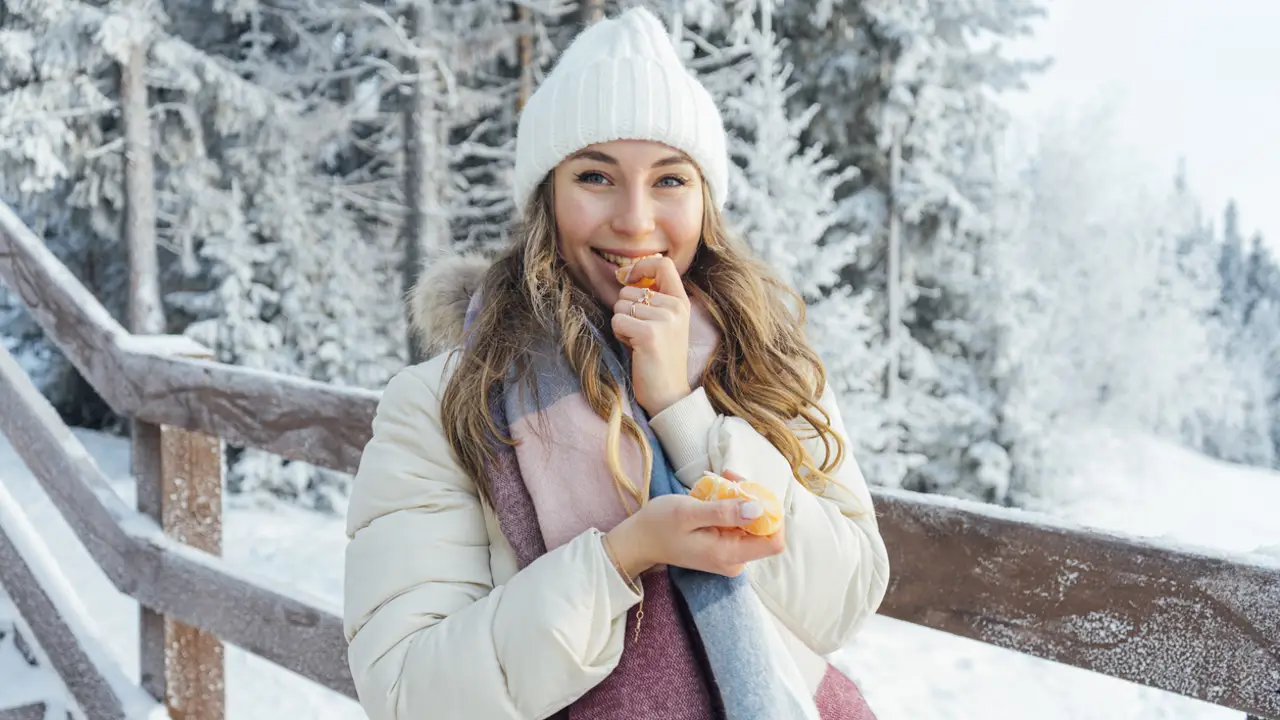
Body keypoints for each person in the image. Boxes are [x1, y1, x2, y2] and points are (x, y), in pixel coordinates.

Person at [342, 7, 890, 720]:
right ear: (547, 196)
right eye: (596, 177)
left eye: (669, 181)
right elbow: (408, 690)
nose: (635, 219)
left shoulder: (770, 363)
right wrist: (619, 558)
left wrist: (682, 413)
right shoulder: (446, 403)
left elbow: (842, 605)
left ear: (705, 201)